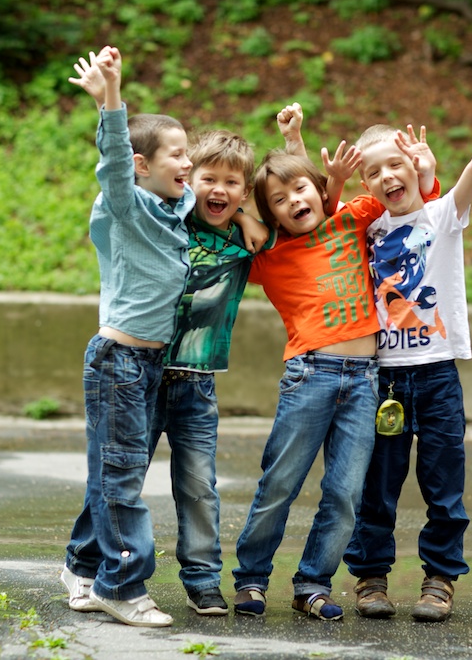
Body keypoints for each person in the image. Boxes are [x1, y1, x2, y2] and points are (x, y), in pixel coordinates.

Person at [229, 106, 435, 621]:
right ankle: (251, 579)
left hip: (366, 381)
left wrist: (326, 167)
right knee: (280, 484)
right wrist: (242, 214)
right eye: (279, 201)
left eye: (300, 191)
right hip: (310, 376)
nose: (293, 202)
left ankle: (312, 585)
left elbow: (411, 198)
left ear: (319, 192)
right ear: (271, 216)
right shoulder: (269, 256)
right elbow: (209, 216)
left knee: (344, 493)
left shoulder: (350, 220)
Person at [343, 75, 472, 622]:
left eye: (395, 164)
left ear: (415, 166)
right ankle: (371, 577)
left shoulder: (443, 216)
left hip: (437, 375)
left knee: (444, 487)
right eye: (374, 172)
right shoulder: (366, 230)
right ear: (366, 185)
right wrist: (299, 146)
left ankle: (440, 579)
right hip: (383, 377)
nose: (387, 176)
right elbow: (317, 210)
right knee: (377, 486)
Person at [58, 45, 195, 629]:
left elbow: (210, 193)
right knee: (120, 477)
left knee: (115, 473)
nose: (188, 162)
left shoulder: (174, 207)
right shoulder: (125, 205)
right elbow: (114, 161)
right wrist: (110, 97)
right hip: (119, 360)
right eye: (177, 154)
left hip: (150, 363)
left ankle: (81, 567)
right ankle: (122, 585)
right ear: (142, 165)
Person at [147, 128, 268, 616]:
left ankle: (202, 580)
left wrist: (244, 216)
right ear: (188, 179)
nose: (219, 190)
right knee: (121, 478)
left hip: (197, 382)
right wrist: (239, 211)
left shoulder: (246, 240)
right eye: (208, 179)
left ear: (245, 190)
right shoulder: (167, 216)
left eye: (232, 184)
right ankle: (88, 566)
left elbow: (299, 208)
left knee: (199, 486)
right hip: (143, 371)